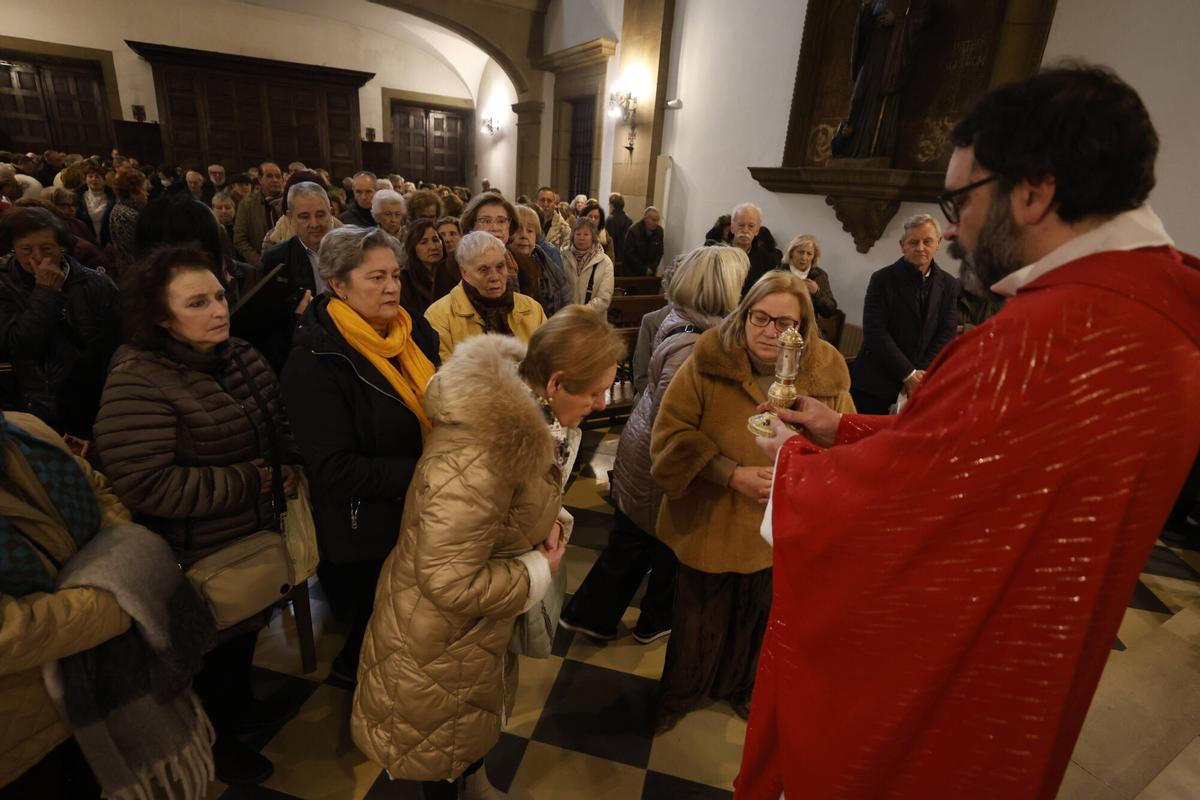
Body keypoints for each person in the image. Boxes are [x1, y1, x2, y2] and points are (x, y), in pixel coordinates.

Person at [737, 64, 1200, 800]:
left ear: (1035, 190)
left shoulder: (1044, 339)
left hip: (948, 698)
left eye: (958, 199)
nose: (950, 229)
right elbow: (978, 465)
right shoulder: (1157, 312)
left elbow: (904, 513)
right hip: (1028, 669)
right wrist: (845, 431)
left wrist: (793, 464)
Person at [351, 305, 624, 799]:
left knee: (466, 736)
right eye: (595, 391)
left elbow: (521, 504)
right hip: (436, 640)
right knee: (436, 756)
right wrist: (539, 568)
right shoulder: (482, 453)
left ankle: (474, 783)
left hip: (470, 635)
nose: (603, 403)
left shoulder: (531, 426)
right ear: (556, 383)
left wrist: (552, 522)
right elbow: (449, 580)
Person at [93, 244, 302, 787]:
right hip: (191, 547)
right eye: (197, 303)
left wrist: (290, 462)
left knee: (243, 633)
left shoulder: (241, 356)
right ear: (161, 317)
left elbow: (277, 425)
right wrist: (252, 479)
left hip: (247, 533)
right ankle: (216, 743)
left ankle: (241, 710)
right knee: (206, 655)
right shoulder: (139, 379)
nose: (219, 310)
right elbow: (144, 483)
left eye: (219, 296)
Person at [650, 271, 854, 734]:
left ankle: (740, 689)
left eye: (785, 322)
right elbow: (669, 437)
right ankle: (680, 695)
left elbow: (846, 443)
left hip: (779, 530)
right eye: (760, 317)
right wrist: (730, 474)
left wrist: (800, 469)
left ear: (802, 329)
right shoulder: (708, 360)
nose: (770, 330)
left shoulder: (825, 372)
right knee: (697, 621)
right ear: (744, 316)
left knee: (757, 621)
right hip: (710, 520)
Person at [562, 246, 748, 645]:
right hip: (658, 457)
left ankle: (606, 616)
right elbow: (676, 419)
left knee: (645, 543)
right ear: (721, 289)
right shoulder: (694, 345)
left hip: (644, 447)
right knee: (650, 544)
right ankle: (626, 618)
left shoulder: (689, 322)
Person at [282, 225, 440, 686]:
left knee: (409, 625)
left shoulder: (413, 332)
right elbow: (333, 469)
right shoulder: (316, 359)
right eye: (375, 278)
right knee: (379, 628)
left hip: (417, 505)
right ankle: (360, 688)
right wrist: (428, 472)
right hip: (365, 525)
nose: (392, 286)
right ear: (338, 284)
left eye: (394, 274)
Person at [0, 206, 119, 442]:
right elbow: (19, 346)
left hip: (90, 404)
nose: (37, 257)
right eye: (26, 250)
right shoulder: (4, 284)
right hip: (31, 408)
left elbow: (113, 346)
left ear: (61, 246)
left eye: (47, 249)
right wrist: (46, 292)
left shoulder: (95, 283)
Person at [848, 213, 959, 413]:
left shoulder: (949, 284)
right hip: (875, 385)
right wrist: (908, 374)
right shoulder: (882, 279)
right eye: (914, 242)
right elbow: (875, 331)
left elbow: (947, 331)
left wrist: (921, 375)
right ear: (902, 245)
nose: (921, 248)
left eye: (927, 241)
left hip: (922, 386)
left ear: (939, 243)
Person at [238, 181, 334, 373]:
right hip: (305, 351)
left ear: (331, 212)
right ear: (290, 218)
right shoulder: (277, 259)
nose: (314, 224)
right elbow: (267, 322)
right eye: (304, 217)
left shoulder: (349, 249)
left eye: (321, 214)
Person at [425, 230, 546, 362]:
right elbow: (445, 375)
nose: (495, 277)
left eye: (500, 267)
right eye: (484, 270)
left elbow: (547, 360)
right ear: (464, 272)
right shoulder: (439, 316)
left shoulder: (531, 309)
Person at [513, 204, 571, 317]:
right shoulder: (505, 265)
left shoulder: (544, 260)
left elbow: (564, 293)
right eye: (518, 230)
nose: (524, 235)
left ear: (536, 236)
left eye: (530, 231)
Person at [401, 217, 457, 316]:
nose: (433, 247)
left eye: (436, 240)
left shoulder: (455, 272)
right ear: (413, 248)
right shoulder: (405, 280)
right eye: (424, 242)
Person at [560, 217, 614, 314]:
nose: (581, 237)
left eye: (586, 234)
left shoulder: (605, 262)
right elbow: (558, 289)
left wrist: (581, 313)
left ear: (593, 237)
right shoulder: (563, 258)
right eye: (578, 234)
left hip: (593, 319)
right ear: (573, 236)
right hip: (567, 317)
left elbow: (604, 298)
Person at [724, 203, 782, 295]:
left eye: (751, 226)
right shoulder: (716, 255)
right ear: (732, 227)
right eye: (741, 225)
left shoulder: (768, 261)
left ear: (757, 230)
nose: (745, 230)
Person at [233, 161, 284, 265]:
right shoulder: (247, 204)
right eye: (269, 176)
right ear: (260, 179)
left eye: (278, 177)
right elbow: (240, 240)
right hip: (260, 264)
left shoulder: (290, 201)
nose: (275, 180)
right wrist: (259, 262)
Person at [780, 233, 838, 318]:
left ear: (814, 257)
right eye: (800, 252)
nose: (804, 257)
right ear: (791, 252)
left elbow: (829, 311)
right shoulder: (779, 271)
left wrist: (816, 292)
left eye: (809, 254)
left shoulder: (819, 275)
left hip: (806, 326)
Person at [107, 166, 150, 277]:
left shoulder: (130, 209)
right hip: (135, 273)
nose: (147, 194)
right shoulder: (124, 215)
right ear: (133, 192)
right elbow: (136, 249)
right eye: (144, 190)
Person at [75, 162, 114, 246]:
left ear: (104, 180)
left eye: (97, 177)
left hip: (108, 243)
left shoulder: (113, 197)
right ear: (85, 179)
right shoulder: (77, 196)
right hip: (85, 242)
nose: (94, 179)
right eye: (90, 176)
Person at [623, 206, 664, 276]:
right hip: (633, 272)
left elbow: (660, 252)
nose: (656, 223)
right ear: (645, 219)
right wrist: (644, 269)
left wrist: (652, 268)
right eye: (653, 220)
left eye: (658, 220)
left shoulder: (659, 231)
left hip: (651, 272)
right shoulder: (633, 231)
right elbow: (629, 253)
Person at [535, 185, 571, 249]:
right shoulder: (528, 222)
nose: (545, 204)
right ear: (536, 202)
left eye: (549, 201)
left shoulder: (564, 228)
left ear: (554, 204)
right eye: (542, 200)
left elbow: (565, 253)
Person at [606, 192, 633, 267]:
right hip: (624, 257)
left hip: (614, 256)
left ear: (612, 205)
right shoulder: (629, 220)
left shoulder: (610, 219)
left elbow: (609, 239)